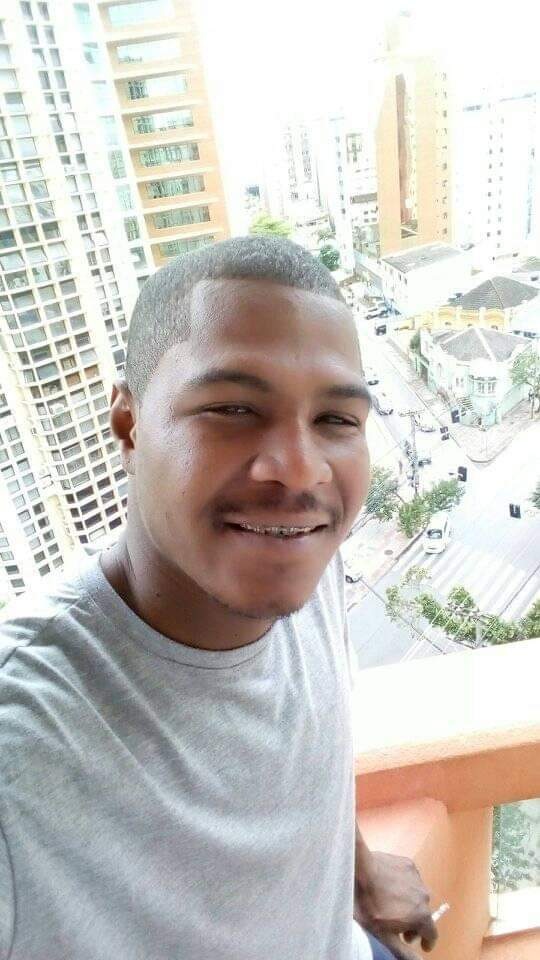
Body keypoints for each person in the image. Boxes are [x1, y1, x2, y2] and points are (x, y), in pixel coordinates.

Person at [0, 236, 438, 960]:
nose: (300, 471)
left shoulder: (305, 570)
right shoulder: (25, 743)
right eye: (233, 408)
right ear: (129, 426)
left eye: (336, 420)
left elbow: (307, 752)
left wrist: (356, 871)